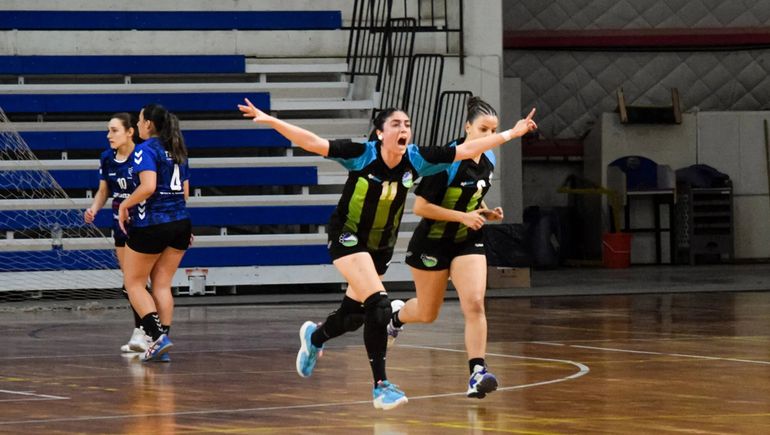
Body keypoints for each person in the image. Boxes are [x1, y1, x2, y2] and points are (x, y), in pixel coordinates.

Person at [238, 98, 536, 410]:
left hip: (380, 247)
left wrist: (511, 135)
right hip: (347, 237)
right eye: (396, 124)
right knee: (379, 305)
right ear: (380, 133)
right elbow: (313, 142)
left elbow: (465, 151)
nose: (403, 128)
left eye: (407, 124)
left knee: (352, 317)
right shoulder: (361, 155)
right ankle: (381, 386)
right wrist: (271, 121)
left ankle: (315, 338)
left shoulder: (416, 159)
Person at [387, 97, 515, 399]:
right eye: (483, 129)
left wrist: (484, 211)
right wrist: (462, 216)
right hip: (432, 242)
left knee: (475, 303)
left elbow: (471, 194)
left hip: (467, 240)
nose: (489, 136)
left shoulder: (490, 159)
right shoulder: (446, 161)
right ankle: (395, 318)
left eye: (494, 130)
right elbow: (420, 207)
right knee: (427, 313)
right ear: (467, 127)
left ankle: (477, 372)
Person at [118, 103, 191, 363]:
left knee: (133, 282)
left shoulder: (144, 149)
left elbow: (148, 187)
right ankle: (160, 344)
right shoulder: (178, 149)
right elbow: (184, 193)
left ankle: (158, 338)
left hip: (153, 223)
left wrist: (125, 205)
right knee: (162, 284)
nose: (137, 125)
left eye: (139, 121)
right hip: (181, 223)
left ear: (148, 124)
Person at [83, 113, 151, 354]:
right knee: (130, 282)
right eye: (108, 130)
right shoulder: (107, 158)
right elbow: (104, 191)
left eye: (114, 130)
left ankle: (147, 332)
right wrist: (93, 208)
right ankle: (142, 332)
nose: (108, 135)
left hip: (143, 223)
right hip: (119, 225)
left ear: (130, 131)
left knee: (138, 282)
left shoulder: (144, 155)